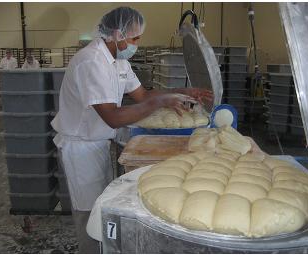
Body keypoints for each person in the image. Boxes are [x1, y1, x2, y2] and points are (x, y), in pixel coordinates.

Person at [51, 6, 213, 253]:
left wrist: (182, 93)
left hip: (99, 142)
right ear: (118, 34)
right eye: (135, 38)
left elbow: (143, 95)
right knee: (89, 212)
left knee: (101, 207)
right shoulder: (92, 61)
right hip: (81, 147)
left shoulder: (118, 61)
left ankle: (103, 248)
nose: (137, 43)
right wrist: (159, 102)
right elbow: (113, 118)